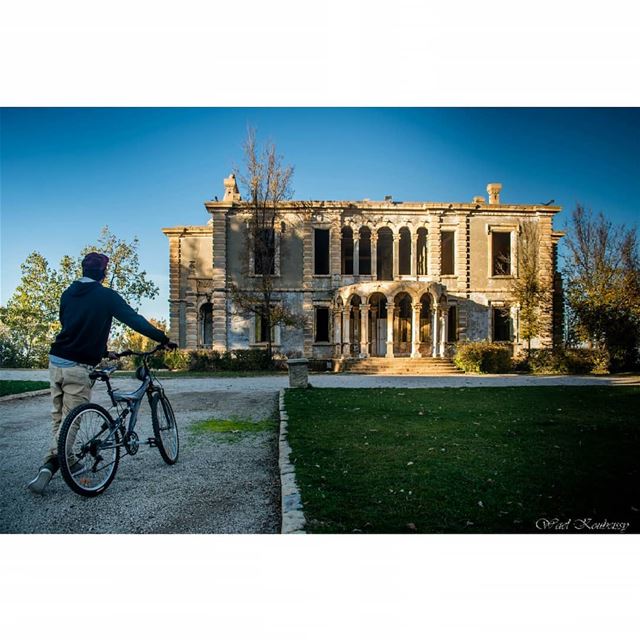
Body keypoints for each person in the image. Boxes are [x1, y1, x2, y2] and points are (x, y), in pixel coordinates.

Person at [28, 252, 177, 494]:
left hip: (56, 362)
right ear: (103, 274)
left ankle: (69, 462)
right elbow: (134, 320)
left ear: (83, 270)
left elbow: (73, 327)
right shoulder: (106, 296)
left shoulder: (68, 294)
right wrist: (163, 338)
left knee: (59, 418)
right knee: (70, 422)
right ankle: (50, 465)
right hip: (77, 368)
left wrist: (102, 351)